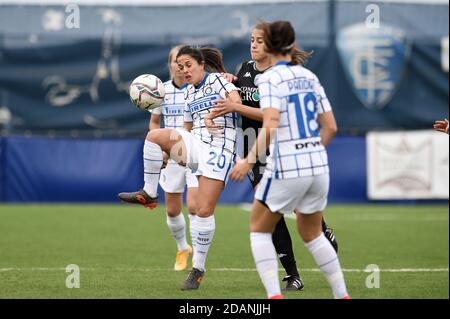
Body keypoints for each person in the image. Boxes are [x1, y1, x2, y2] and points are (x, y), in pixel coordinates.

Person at [207, 22, 338, 291]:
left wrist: (236, 106)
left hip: (281, 147)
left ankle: (320, 228)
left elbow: (270, 119)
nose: (253, 44)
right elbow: (241, 99)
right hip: (253, 147)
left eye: (259, 40)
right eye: (251, 40)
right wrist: (230, 85)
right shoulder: (245, 70)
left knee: (297, 215)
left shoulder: (279, 77)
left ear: (273, 46)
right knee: (270, 214)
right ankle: (293, 275)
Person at [119, 45, 241, 291]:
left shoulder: (217, 80)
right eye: (180, 65)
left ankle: (198, 268)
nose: (184, 70)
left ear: (201, 65)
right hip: (195, 144)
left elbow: (236, 102)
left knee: (202, 210)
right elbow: (185, 130)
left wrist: (211, 116)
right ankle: (149, 192)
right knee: (154, 138)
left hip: (220, 149)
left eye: (189, 65)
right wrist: (169, 151)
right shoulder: (188, 93)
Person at [120, 46, 199, 272]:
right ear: (170, 64)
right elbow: (155, 124)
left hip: (192, 151)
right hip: (169, 154)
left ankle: (199, 260)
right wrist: (161, 150)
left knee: (194, 207)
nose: (180, 65)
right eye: (176, 61)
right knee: (173, 210)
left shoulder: (196, 88)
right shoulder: (160, 90)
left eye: (184, 62)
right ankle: (183, 248)